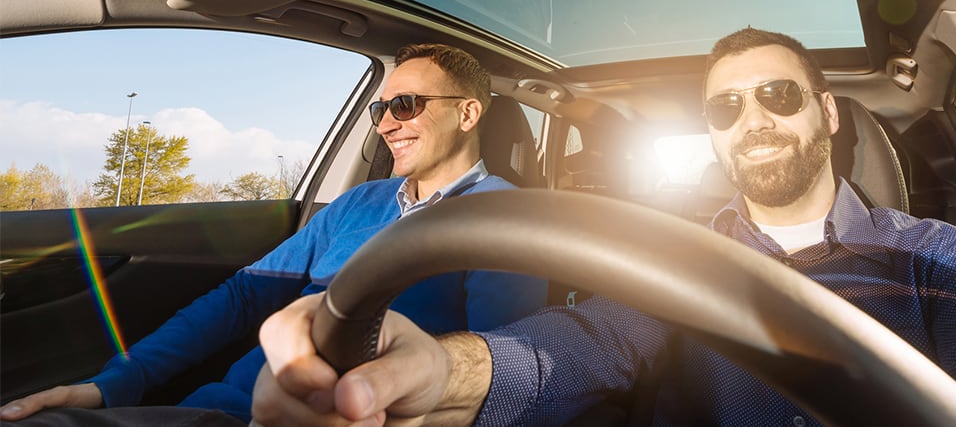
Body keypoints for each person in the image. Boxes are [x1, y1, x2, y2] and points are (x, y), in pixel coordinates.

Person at [249, 28, 956, 426]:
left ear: (827, 114)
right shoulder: (674, 258)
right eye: (724, 107)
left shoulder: (941, 257)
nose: (752, 118)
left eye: (778, 94)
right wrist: (442, 370)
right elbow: (582, 344)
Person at [0, 43, 548, 425]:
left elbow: (499, 369)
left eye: (404, 105)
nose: (384, 123)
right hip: (219, 408)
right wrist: (115, 382)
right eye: (381, 108)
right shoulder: (359, 202)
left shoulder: (502, 217)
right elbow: (244, 294)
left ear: (468, 113)